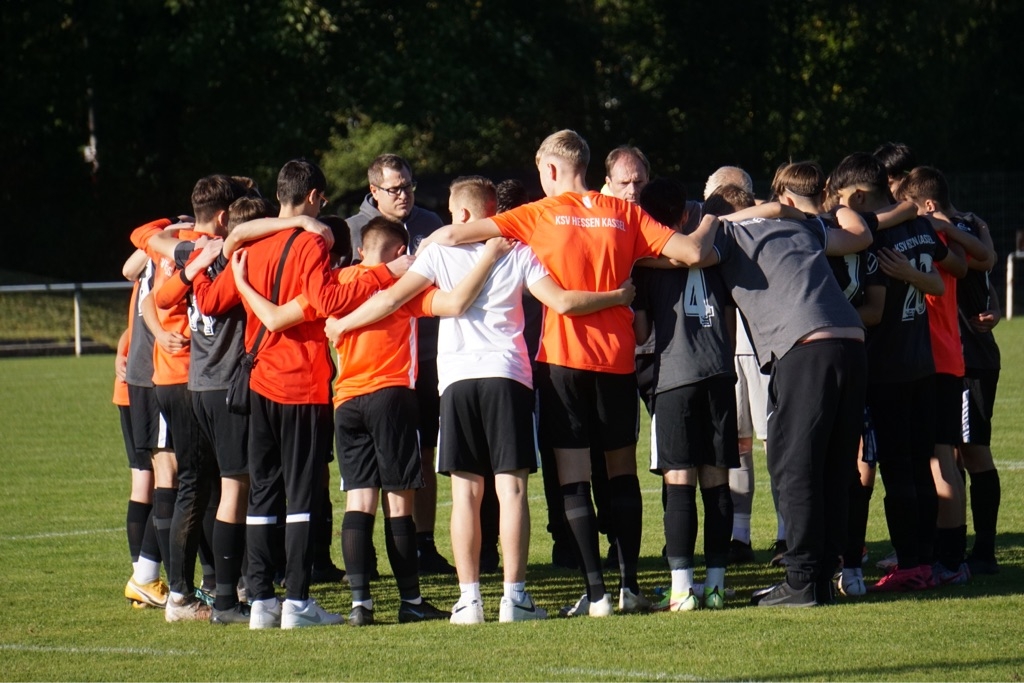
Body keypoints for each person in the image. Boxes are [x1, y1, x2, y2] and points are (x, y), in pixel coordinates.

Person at [420, 129, 721, 617]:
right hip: (617, 361)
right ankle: (628, 587)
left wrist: (428, 245)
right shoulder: (624, 212)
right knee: (621, 474)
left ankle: (596, 594)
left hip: (562, 362)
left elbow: (458, 233)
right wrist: (708, 221)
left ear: (553, 169)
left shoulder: (537, 214)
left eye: (540, 171)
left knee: (575, 479)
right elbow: (690, 253)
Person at [193, 159, 399, 629]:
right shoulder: (310, 241)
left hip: (259, 380)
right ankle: (297, 601)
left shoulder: (253, 240)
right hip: (301, 381)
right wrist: (380, 275)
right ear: (312, 197)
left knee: (263, 490)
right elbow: (325, 301)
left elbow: (212, 296)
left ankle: (262, 598)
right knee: (302, 493)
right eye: (322, 201)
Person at [831, 152, 963, 593]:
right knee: (921, 467)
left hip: (889, 369)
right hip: (923, 364)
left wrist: (834, 309)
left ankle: (909, 563)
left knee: (899, 472)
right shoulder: (922, 227)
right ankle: (925, 561)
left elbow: (875, 310)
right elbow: (945, 278)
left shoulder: (876, 240)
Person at [153, 191, 272, 625]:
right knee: (235, 487)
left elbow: (162, 298)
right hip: (223, 386)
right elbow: (215, 301)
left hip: (196, 384)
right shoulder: (231, 261)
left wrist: (193, 269)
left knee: (198, 487)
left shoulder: (195, 255)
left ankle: (185, 595)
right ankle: (227, 597)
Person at [633, 179, 737, 611]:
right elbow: (730, 316)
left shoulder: (644, 260)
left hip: (674, 376)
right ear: (682, 214)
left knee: (679, 484)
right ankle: (715, 588)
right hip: (718, 373)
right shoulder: (714, 252)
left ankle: (681, 590)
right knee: (716, 483)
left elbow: (641, 332)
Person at [346, 153, 453, 574]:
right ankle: (365, 552)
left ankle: (423, 544)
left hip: (424, 354)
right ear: (374, 191)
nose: (404, 194)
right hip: (370, 364)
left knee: (422, 452)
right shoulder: (354, 231)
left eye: (408, 185)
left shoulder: (430, 224)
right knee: (366, 465)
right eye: (395, 188)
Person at [895, 166, 995, 586]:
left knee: (942, 461)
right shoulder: (943, 238)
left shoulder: (932, 233)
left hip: (933, 359)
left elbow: (981, 258)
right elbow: (979, 257)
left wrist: (939, 226)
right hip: (945, 357)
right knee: (937, 459)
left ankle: (953, 561)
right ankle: (940, 556)